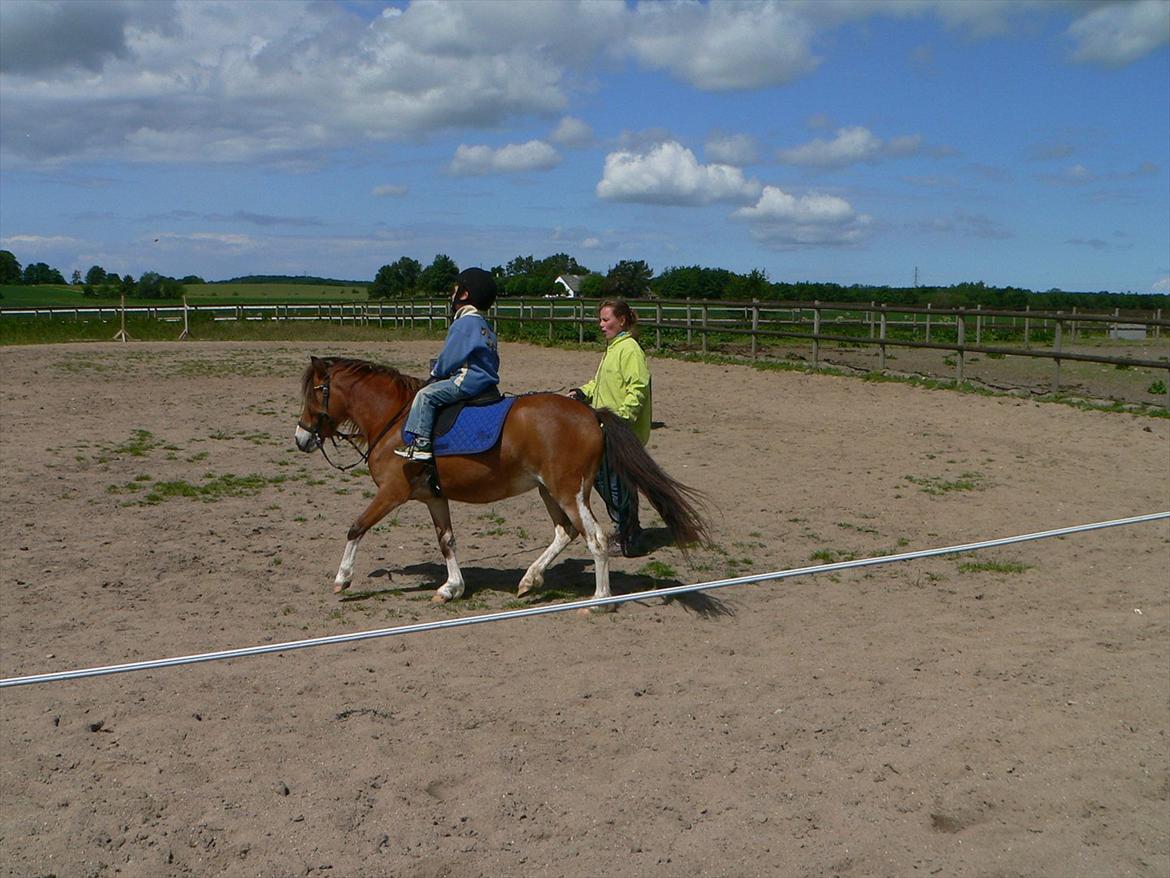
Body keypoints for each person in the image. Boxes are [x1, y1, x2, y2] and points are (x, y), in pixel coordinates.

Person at [567, 298, 652, 556]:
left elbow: (637, 388)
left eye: (606, 320)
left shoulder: (630, 350)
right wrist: (583, 392)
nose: (601, 325)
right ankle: (627, 528)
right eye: (601, 320)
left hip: (621, 431)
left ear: (622, 321)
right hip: (606, 428)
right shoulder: (613, 348)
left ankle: (629, 534)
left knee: (617, 484)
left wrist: (622, 418)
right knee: (605, 479)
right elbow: (601, 382)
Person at [395, 267, 499, 462]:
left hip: (466, 381)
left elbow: (450, 357)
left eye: (455, 289)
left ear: (465, 293)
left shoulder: (464, 323)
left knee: (425, 395)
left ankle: (422, 444)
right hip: (486, 382)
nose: (452, 293)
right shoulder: (484, 324)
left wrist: (437, 371)